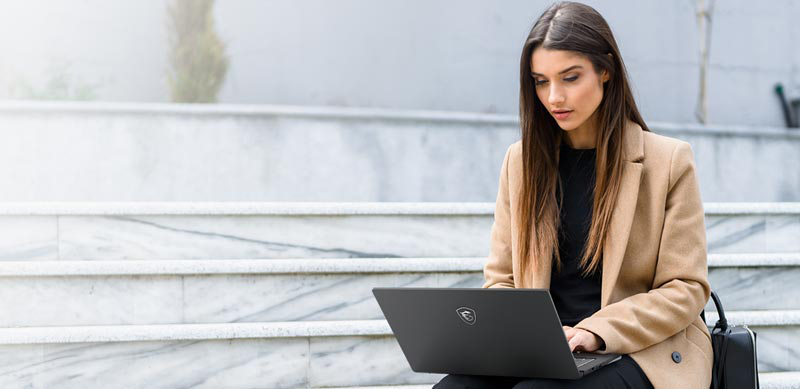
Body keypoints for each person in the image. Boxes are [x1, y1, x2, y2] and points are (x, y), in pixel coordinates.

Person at [434, 2, 713, 388]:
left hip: (638, 349)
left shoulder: (667, 162)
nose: (554, 98)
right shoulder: (521, 162)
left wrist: (595, 332)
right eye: (541, 81)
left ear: (605, 70)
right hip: (544, 348)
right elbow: (502, 279)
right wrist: (519, 334)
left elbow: (686, 287)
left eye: (570, 78)